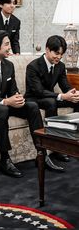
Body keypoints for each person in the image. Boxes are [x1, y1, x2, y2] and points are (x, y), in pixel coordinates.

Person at [0, 29, 61, 178]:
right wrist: (5, 101)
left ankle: (41, 153)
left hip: (3, 104)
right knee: (1, 110)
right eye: (6, 44)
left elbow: (13, 90)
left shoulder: (8, 65)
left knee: (31, 106)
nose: (10, 47)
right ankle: (5, 159)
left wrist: (17, 98)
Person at [25, 35, 79, 164]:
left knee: (76, 100)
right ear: (47, 49)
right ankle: (56, 148)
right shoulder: (33, 66)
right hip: (34, 98)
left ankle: (75, 141)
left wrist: (74, 93)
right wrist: (62, 96)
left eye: (61, 54)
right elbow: (38, 91)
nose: (59, 57)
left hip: (50, 97)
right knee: (51, 101)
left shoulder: (60, 66)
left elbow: (65, 86)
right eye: (56, 53)